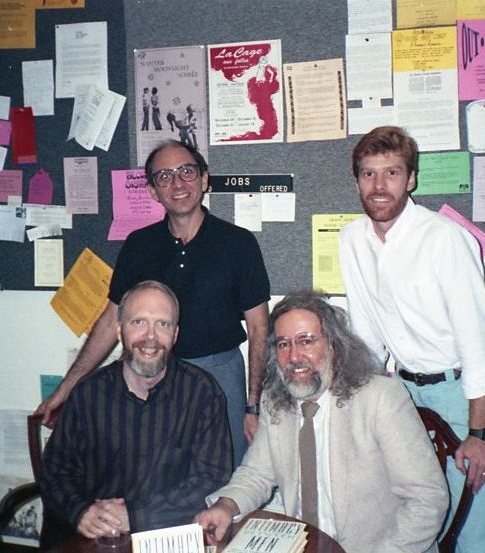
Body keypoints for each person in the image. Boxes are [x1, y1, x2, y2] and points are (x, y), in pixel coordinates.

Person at [35, 140, 270, 468]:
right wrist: (65, 389)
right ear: (152, 191)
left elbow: (260, 327)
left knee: (225, 479)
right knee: (155, 478)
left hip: (220, 376)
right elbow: (110, 321)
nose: (177, 184)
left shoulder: (239, 243)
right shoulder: (138, 245)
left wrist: (253, 406)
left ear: (204, 180)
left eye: (187, 172)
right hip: (151, 376)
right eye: (164, 177)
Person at [338, 126, 485, 553]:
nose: (379, 187)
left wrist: (481, 433)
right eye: (368, 174)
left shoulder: (444, 239)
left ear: (411, 179)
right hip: (401, 395)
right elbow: (366, 336)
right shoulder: (352, 239)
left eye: (392, 173)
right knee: (418, 519)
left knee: (478, 527)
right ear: (357, 179)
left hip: (460, 395)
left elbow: (479, 344)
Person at [195, 290, 448, 553]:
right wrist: (226, 505)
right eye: (283, 344)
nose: (294, 356)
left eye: (306, 341)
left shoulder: (381, 398)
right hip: (304, 545)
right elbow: (256, 473)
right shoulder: (275, 400)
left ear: (334, 345)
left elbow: (427, 500)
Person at [40, 281, 232, 549]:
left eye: (162, 324)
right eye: (138, 322)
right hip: (97, 538)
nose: (150, 336)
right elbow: (55, 470)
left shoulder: (203, 393)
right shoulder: (88, 394)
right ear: (119, 330)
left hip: (165, 537)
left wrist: (135, 516)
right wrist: (81, 511)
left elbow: (211, 477)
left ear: (175, 334)